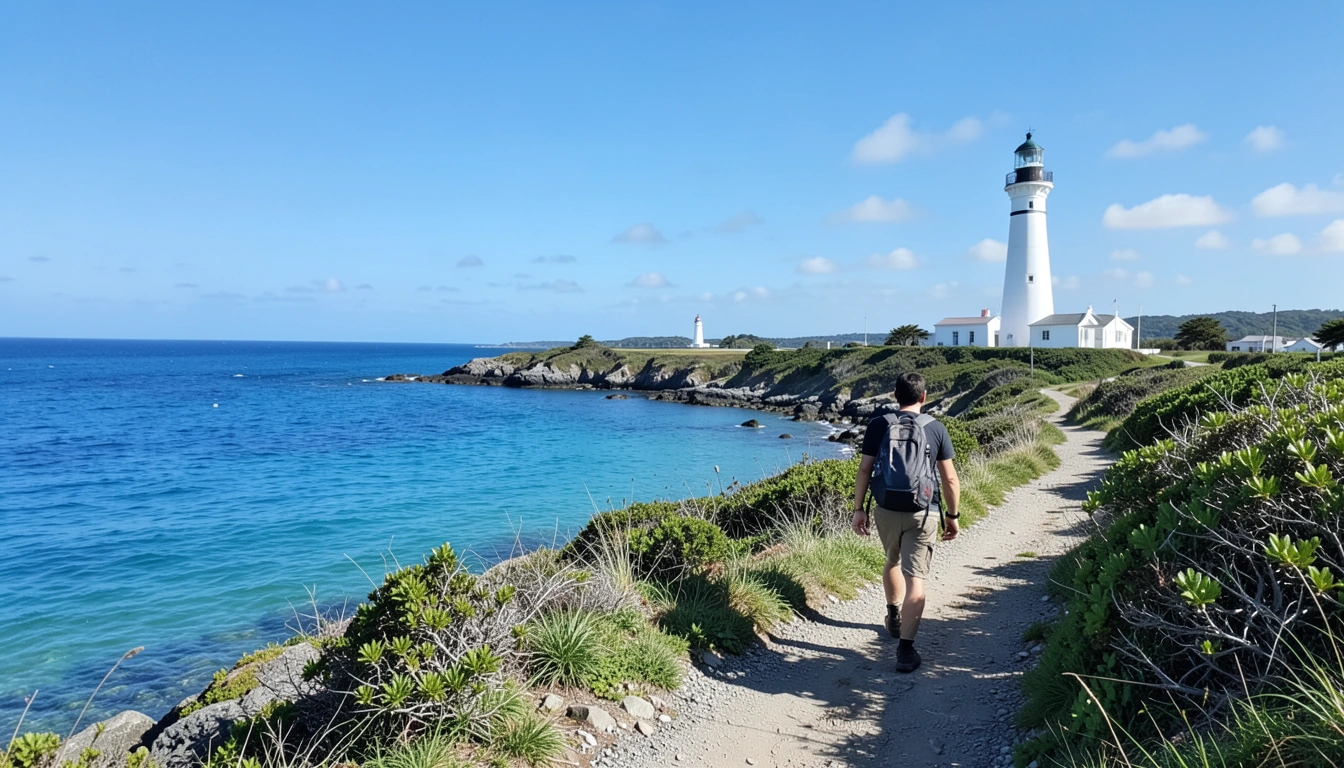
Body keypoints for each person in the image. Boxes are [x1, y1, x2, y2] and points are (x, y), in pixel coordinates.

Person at [851, 371, 960, 673]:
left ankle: (893, 615)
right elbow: (949, 478)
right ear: (924, 397)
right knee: (917, 579)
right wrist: (952, 516)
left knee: (891, 560)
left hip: (885, 507)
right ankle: (906, 651)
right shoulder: (936, 428)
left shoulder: (877, 425)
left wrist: (858, 509)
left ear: (894, 396)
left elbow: (864, 470)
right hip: (923, 511)